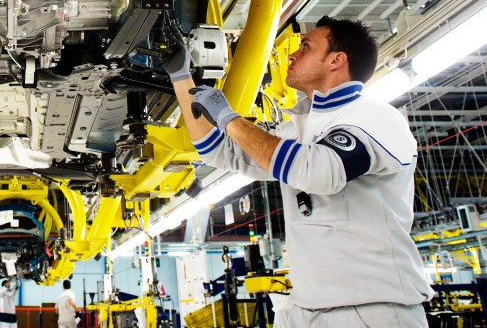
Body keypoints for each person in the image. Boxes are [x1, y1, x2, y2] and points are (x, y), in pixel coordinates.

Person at [166, 16, 433, 328]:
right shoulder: (298, 130)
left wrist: (229, 118)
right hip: (305, 308)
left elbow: (318, 171)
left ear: (336, 60)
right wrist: (181, 76)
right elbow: (218, 151)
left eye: (305, 47)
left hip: (373, 309)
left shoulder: (375, 117)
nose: (291, 55)